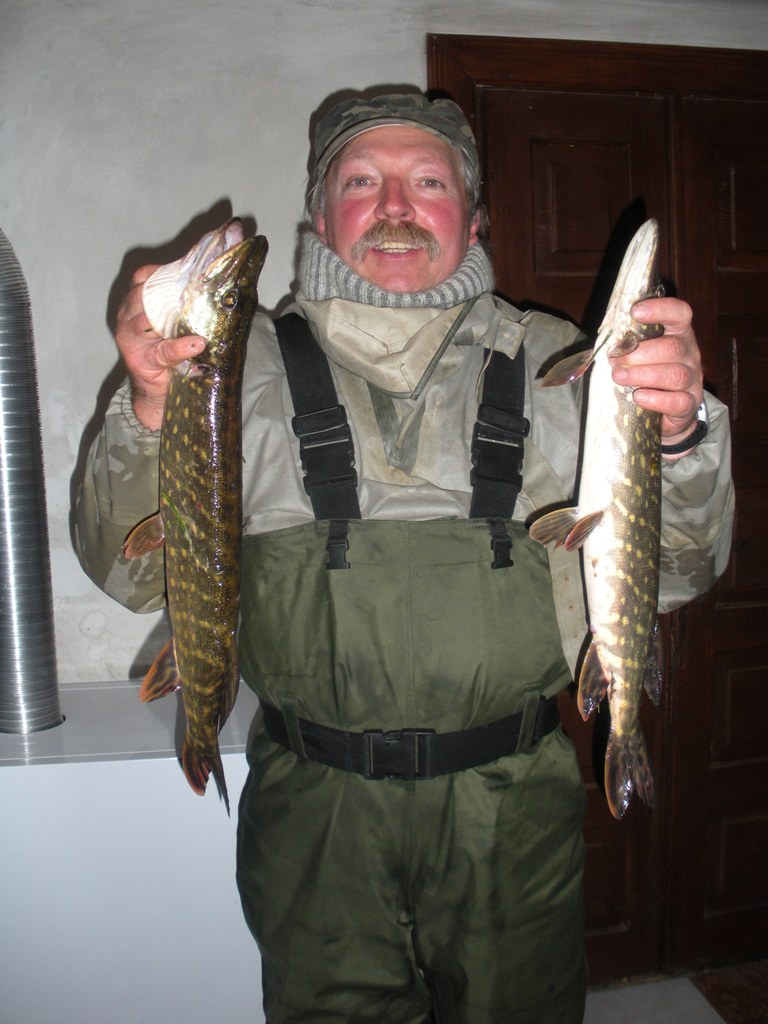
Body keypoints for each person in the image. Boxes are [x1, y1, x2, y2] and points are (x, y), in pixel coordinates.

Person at [75, 92, 734, 1023]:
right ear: (318, 217)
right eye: (360, 183)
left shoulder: (571, 365)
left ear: (474, 218)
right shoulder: (226, 367)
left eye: (427, 183)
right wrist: (149, 411)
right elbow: (130, 575)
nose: (393, 207)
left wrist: (681, 439)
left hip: (510, 815)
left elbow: (678, 572)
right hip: (315, 822)